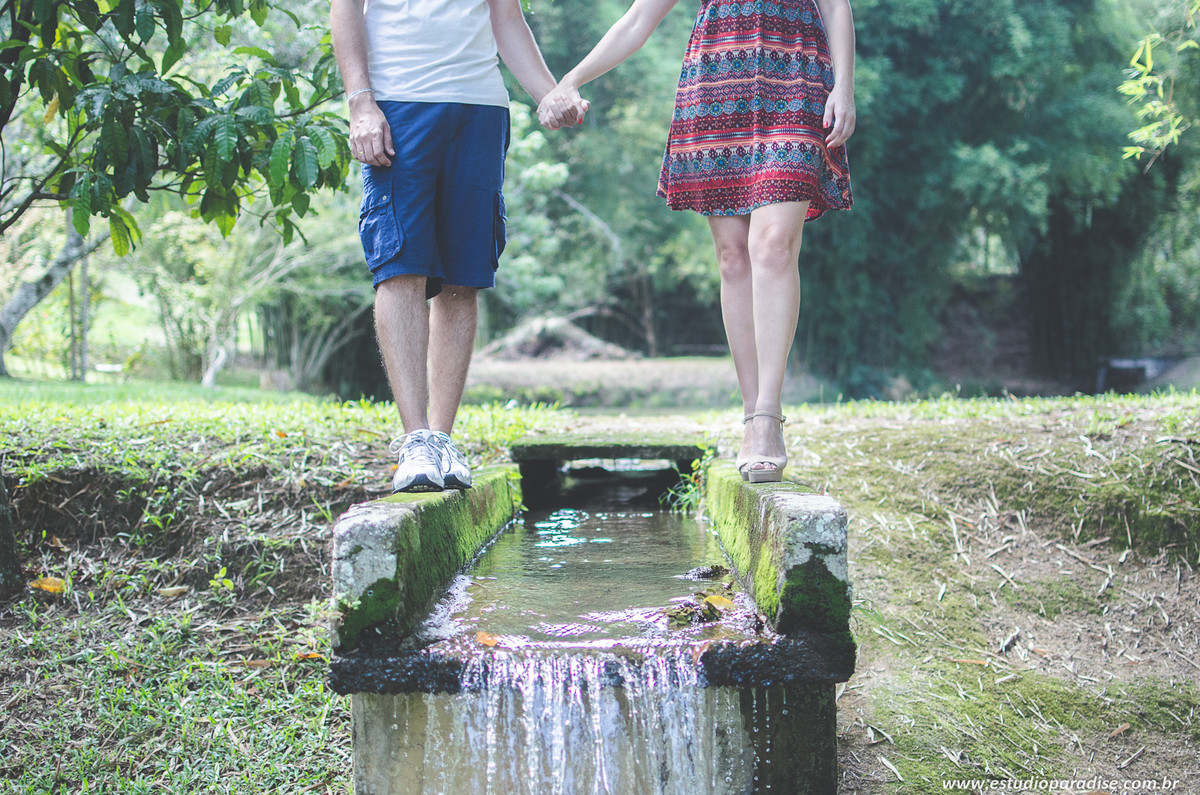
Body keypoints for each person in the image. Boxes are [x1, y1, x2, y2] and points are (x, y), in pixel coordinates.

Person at [539, 0, 854, 483]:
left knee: (772, 245)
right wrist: (572, 79)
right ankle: (751, 413)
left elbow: (835, 4)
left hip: (797, 77)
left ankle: (768, 417)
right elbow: (638, 20)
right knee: (732, 258)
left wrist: (845, 88)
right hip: (716, 84)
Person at [331, 0, 587, 492]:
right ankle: (416, 441)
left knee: (463, 279)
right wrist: (360, 101)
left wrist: (548, 94)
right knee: (399, 266)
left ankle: (442, 441)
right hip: (399, 102)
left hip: (480, 107)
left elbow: (506, 17)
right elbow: (345, 9)